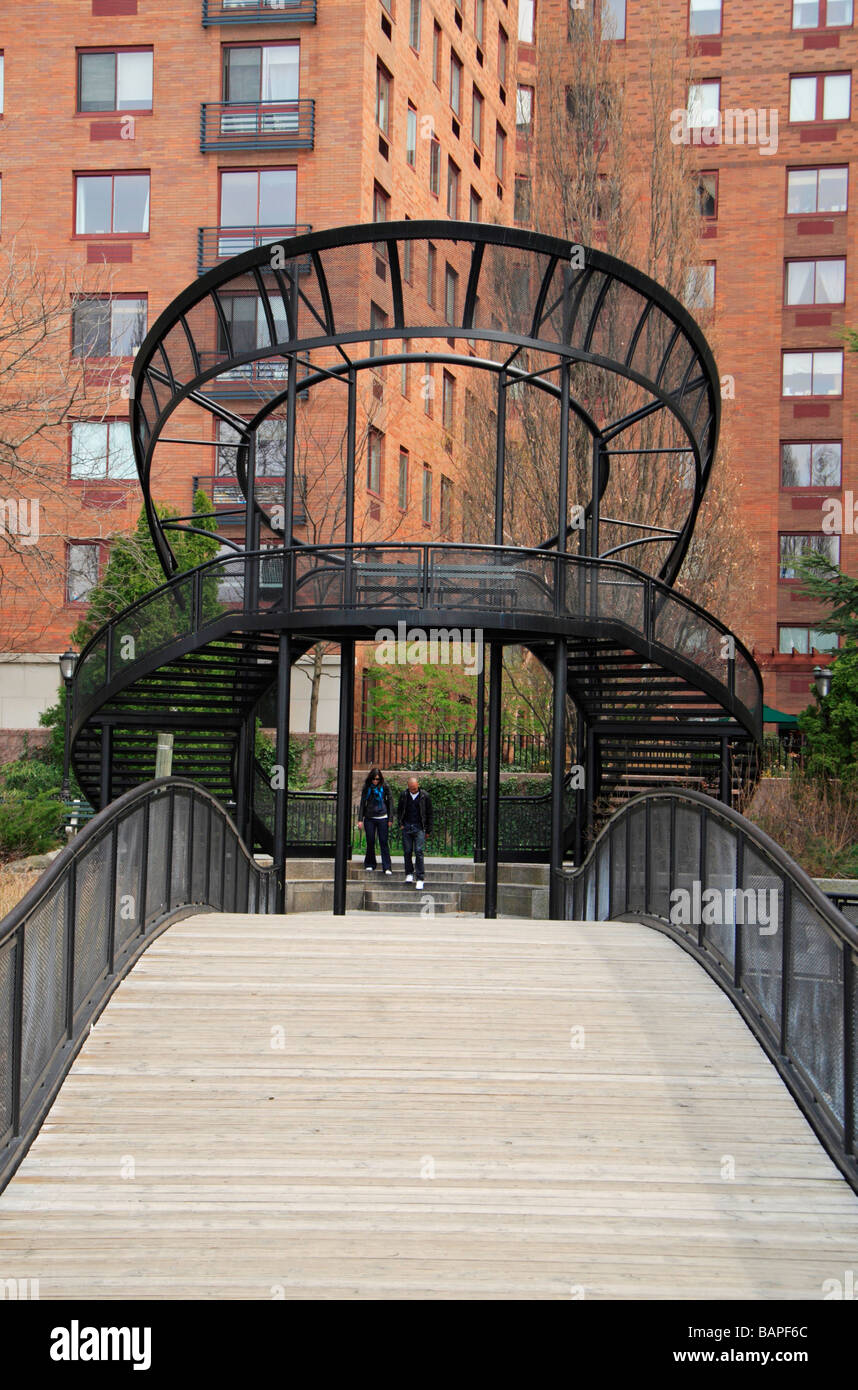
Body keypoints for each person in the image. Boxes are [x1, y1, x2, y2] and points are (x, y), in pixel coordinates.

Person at [396, 775, 433, 890]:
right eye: (411, 788)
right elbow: (399, 810)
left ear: (418, 786)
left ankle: (420, 877)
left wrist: (428, 829)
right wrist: (401, 824)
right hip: (407, 826)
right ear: (408, 787)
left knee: (419, 851)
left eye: (415, 788)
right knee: (407, 851)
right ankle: (409, 873)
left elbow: (429, 813)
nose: (413, 790)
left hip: (419, 827)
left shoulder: (424, 796)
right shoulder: (404, 795)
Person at [357, 767, 393, 874]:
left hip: (382, 817)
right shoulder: (367, 787)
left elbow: (390, 802)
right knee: (370, 841)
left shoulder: (385, 786)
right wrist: (360, 819)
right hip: (369, 817)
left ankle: (387, 866)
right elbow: (363, 803)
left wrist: (390, 818)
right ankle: (370, 863)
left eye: (377, 779)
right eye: (373, 779)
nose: (375, 781)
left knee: (383, 842)